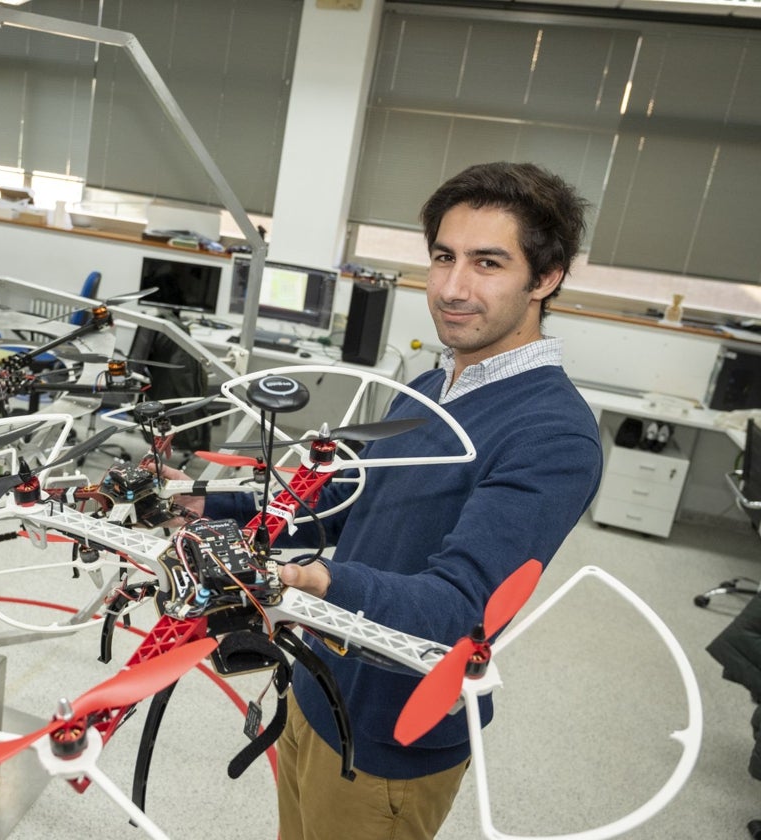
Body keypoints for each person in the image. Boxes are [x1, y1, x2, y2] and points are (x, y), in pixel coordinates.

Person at [170, 162, 604, 839]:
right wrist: (215, 508)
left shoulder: (554, 433)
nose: (453, 289)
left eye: (488, 263)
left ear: (545, 278)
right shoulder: (431, 385)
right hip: (319, 692)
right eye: (443, 258)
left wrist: (315, 579)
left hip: (392, 743)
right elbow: (352, 496)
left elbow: (461, 609)